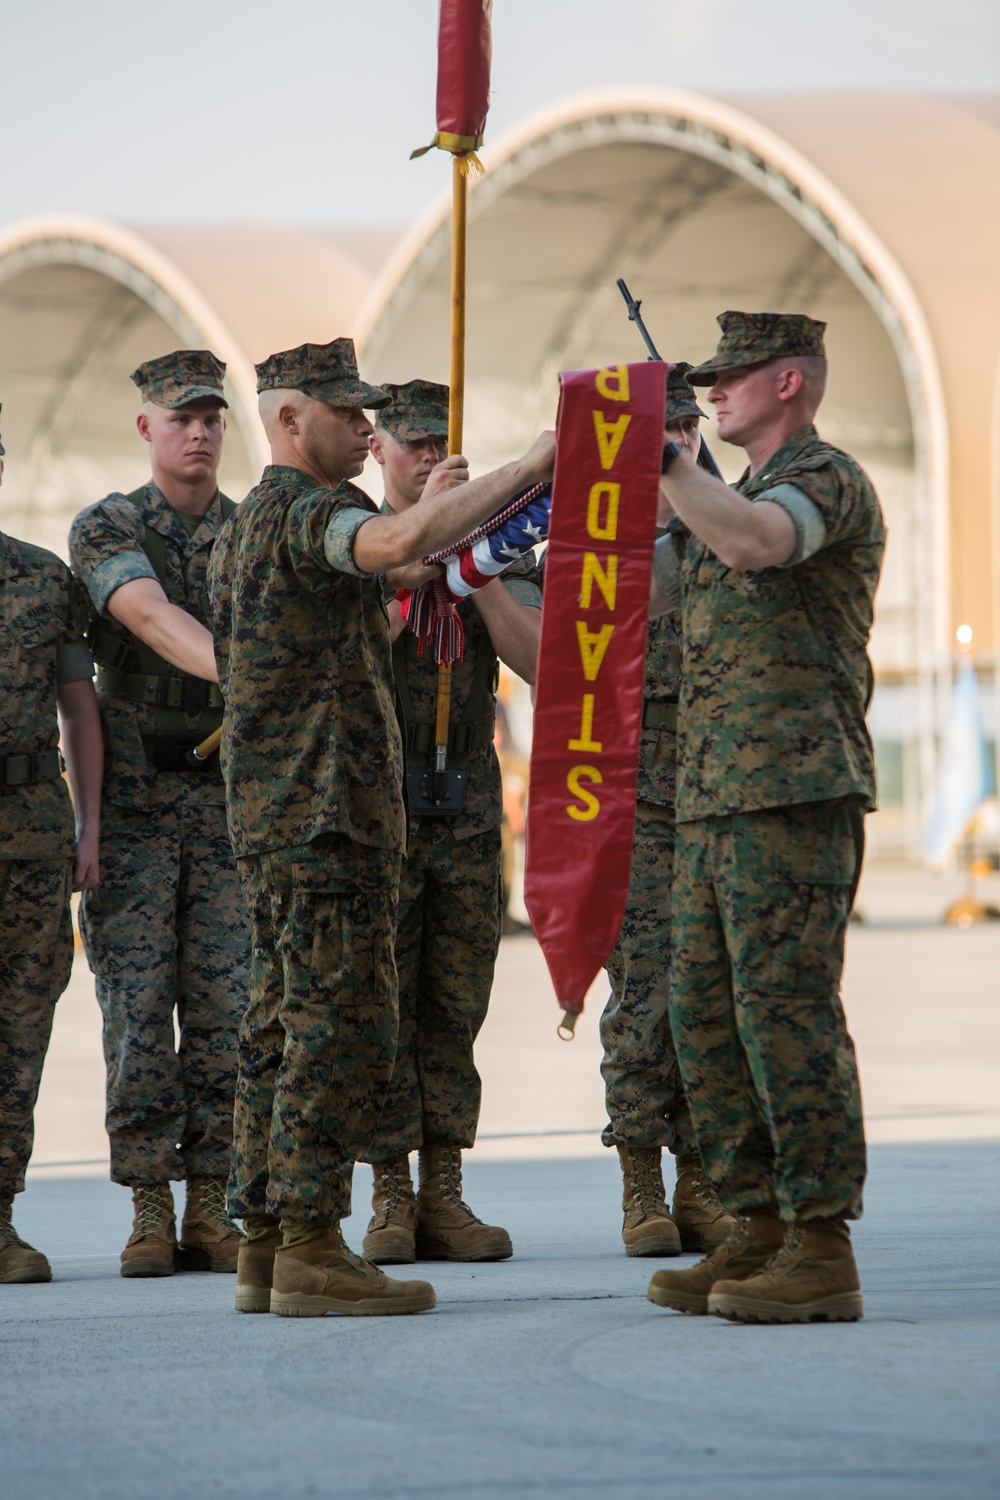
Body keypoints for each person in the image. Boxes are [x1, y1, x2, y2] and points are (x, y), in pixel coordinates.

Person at [207, 339, 554, 1318]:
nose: (366, 430)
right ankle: (314, 1244)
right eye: (346, 414)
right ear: (286, 420)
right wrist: (527, 468)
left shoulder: (249, 525)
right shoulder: (314, 510)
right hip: (326, 820)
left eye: (371, 415)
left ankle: (270, 1242)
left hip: (288, 817)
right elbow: (399, 551)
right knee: (334, 1025)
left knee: (276, 1028)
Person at [645, 312, 884, 1324]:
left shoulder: (820, 482)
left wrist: (666, 465)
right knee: (702, 1021)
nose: (714, 391)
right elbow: (664, 596)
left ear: (789, 382)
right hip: (709, 800)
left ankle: (818, 1243)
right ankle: (750, 1227)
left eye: (732, 377)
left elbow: (755, 546)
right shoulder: (721, 498)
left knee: (784, 1015)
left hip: (793, 793)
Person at [69, 351, 249, 1279]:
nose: (199, 430)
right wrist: (252, 672)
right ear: (147, 427)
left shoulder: (252, 528)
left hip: (227, 811)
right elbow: (143, 615)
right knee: (138, 1011)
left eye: (211, 415)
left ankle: (213, 1204)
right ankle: (148, 1206)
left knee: (227, 1010)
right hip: (135, 810)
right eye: (180, 416)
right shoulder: (109, 526)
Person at [360, 379, 542, 1265]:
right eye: (412, 447)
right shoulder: (354, 546)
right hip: (383, 801)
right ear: (378, 453)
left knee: (457, 1000)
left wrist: (475, 570)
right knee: (384, 999)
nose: (429, 459)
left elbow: (540, 660)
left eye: (442, 447)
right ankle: (389, 1193)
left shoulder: (496, 544)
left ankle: (445, 1190)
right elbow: (350, 651)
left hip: (467, 793)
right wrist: (417, 563)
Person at [600, 365, 733, 1258]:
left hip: (719, 794)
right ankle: (642, 1182)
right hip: (630, 802)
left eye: (684, 431)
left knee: (712, 997)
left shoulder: (728, 532)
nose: (673, 447)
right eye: (658, 434)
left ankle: (705, 1182)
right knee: (643, 994)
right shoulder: (592, 554)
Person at [0, 403, 102, 1283]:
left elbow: (78, 707)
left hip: (30, 838)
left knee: (20, 1032)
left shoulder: (43, 579)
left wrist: (89, 821)